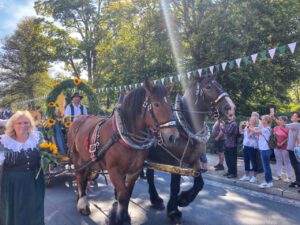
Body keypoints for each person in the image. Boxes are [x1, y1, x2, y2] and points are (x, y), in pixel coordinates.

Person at [0, 111, 45, 225]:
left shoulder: (37, 138)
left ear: (30, 124)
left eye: (26, 122)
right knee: (17, 213)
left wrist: (48, 160)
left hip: (35, 182)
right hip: (14, 185)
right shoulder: (4, 142)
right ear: (12, 125)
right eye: (19, 123)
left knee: (35, 210)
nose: (23, 126)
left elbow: (45, 154)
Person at [272, 111, 300, 190]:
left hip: (294, 149)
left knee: (297, 166)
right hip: (291, 148)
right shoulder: (294, 125)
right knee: (295, 165)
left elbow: (283, 125)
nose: (292, 116)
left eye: (294, 115)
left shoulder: (296, 124)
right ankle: (297, 181)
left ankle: (298, 182)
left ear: (298, 118)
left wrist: (274, 118)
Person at [251, 115, 273, 188]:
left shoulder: (266, 129)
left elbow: (254, 132)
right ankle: (269, 181)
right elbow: (254, 134)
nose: (262, 121)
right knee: (266, 166)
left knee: (266, 167)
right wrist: (254, 130)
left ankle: (267, 182)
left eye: (263, 119)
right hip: (264, 149)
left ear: (266, 121)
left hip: (265, 150)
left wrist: (248, 126)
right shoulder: (264, 129)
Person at [239, 116, 259, 183]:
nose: (250, 121)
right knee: (246, 161)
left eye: (252, 120)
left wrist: (248, 127)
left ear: (255, 121)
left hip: (252, 147)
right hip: (246, 146)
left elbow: (249, 135)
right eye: (250, 119)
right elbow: (241, 132)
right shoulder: (247, 127)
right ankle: (246, 176)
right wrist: (240, 125)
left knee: (253, 162)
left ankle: (254, 177)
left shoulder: (256, 128)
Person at [273, 116, 292, 182]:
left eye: (281, 120)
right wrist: (277, 143)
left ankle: (289, 177)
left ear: (285, 121)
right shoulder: (276, 128)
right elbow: (274, 137)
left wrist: (281, 143)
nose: (279, 121)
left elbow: (289, 137)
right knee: (278, 161)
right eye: (279, 120)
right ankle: (279, 176)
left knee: (287, 162)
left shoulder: (288, 128)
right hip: (276, 147)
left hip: (285, 147)